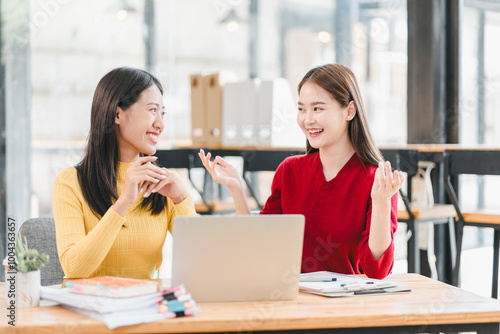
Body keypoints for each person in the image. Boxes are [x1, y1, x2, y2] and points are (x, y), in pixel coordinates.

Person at [199, 64, 403, 279]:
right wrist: (237, 189)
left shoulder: (377, 181)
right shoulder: (290, 171)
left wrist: (381, 202)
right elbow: (260, 245)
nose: (307, 120)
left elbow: (377, 271)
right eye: (301, 109)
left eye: (317, 108)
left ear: (349, 111)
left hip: (348, 303)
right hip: (293, 297)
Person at [53, 67, 196, 280]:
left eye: (162, 113)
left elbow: (203, 257)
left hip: (145, 307)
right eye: (153, 110)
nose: (160, 124)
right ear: (118, 114)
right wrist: (124, 202)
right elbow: (74, 268)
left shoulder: (161, 184)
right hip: (89, 308)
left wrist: (181, 199)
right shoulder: (71, 182)